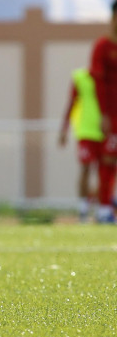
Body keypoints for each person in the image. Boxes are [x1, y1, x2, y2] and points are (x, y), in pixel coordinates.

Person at [58, 68, 103, 222]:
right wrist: (64, 128)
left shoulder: (111, 76)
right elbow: (71, 103)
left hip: (107, 131)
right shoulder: (81, 78)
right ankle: (83, 209)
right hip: (86, 131)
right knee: (85, 169)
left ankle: (101, 208)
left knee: (106, 173)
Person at [89, 1, 117, 223]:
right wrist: (104, 114)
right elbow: (98, 82)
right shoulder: (102, 46)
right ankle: (104, 210)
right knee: (108, 160)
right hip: (112, 114)